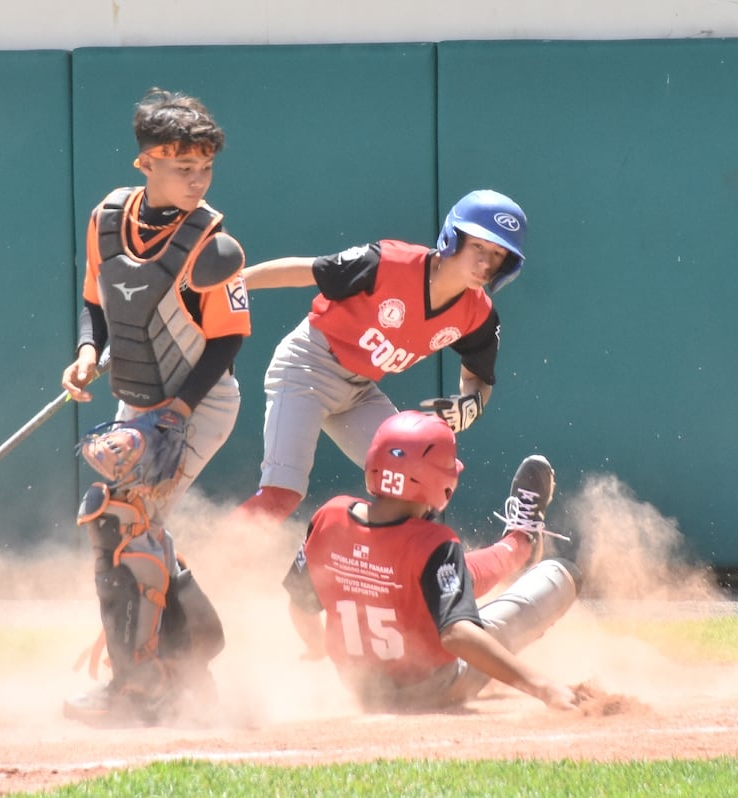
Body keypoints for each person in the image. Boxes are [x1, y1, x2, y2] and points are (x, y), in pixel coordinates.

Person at [59, 87, 251, 726]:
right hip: (133, 403)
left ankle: (141, 686)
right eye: (182, 167)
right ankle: (189, 659)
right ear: (146, 163)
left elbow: (227, 341)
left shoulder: (214, 242)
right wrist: (88, 352)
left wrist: (177, 412)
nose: (198, 179)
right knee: (126, 525)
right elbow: (96, 300)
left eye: (206, 167)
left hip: (198, 402)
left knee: (122, 518)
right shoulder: (107, 218)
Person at [232, 189, 528, 524]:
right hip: (308, 367)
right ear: (452, 236)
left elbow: (479, 379)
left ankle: (384, 572)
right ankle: (203, 566)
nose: (486, 262)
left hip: (359, 391)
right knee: (281, 495)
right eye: (478, 245)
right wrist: (235, 283)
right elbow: (308, 271)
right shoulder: (390, 263)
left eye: (498, 253)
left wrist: (471, 405)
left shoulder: (479, 314)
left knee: (424, 486)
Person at [282, 410, 582, 712]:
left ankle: (518, 543)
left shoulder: (329, 517)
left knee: (439, 577)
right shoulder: (433, 542)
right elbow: (457, 636)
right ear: (438, 479)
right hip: (433, 689)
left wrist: (317, 645)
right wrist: (543, 687)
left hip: (361, 688)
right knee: (562, 574)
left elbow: (300, 604)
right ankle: (522, 541)